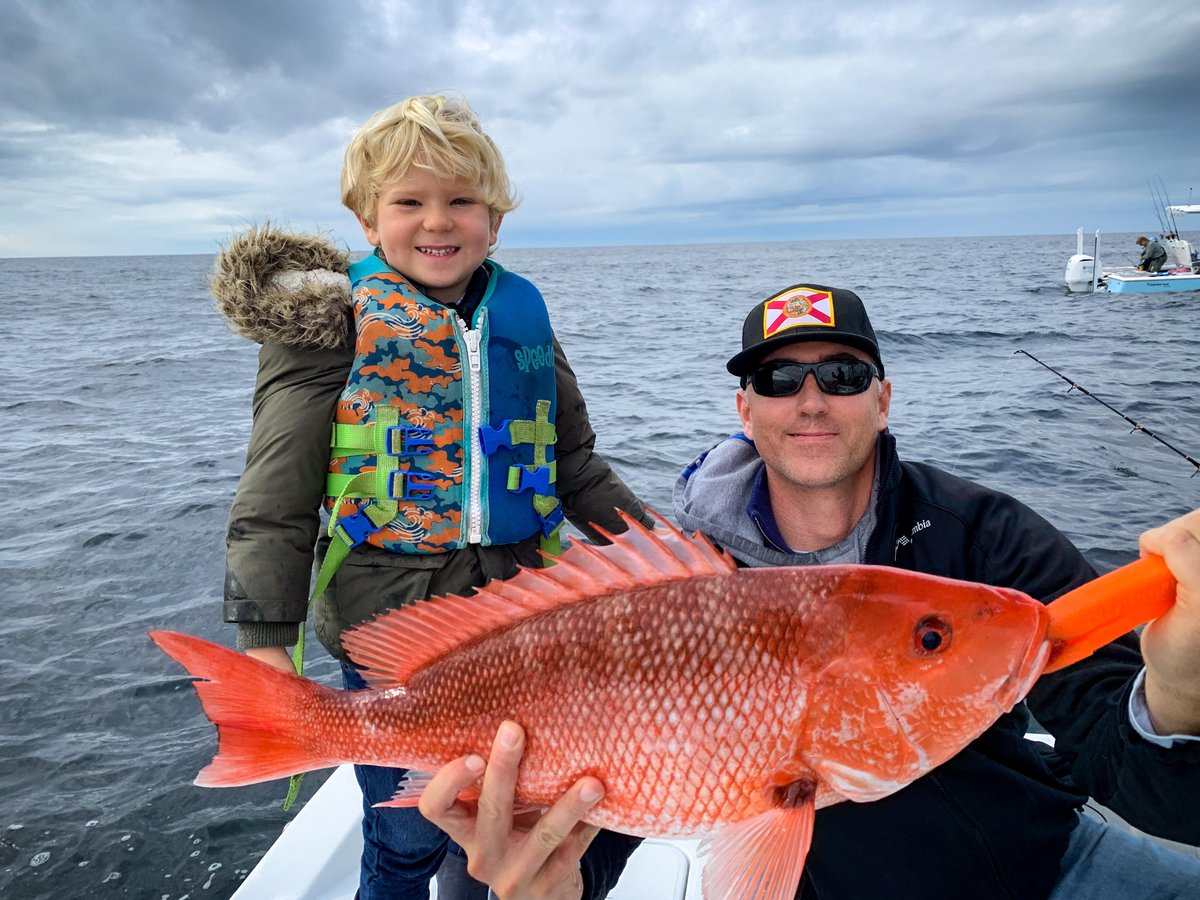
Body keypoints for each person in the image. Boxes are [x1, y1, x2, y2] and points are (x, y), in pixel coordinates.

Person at [420, 284, 1200, 900]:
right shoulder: (683, 588)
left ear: (883, 399)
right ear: (745, 409)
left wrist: (1175, 690)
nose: (812, 397)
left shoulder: (981, 538)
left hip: (1044, 865)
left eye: (843, 373)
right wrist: (548, 886)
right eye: (778, 376)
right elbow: (614, 800)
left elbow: (1132, 776)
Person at [219, 94, 650, 900]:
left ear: (496, 217)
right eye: (409, 202)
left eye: (461, 201)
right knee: (407, 833)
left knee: (513, 818)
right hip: (391, 638)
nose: (437, 221)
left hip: (521, 627)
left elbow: (577, 468)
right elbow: (273, 499)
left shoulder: (522, 322)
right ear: (365, 217)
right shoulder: (329, 328)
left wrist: (668, 556)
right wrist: (266, 641)